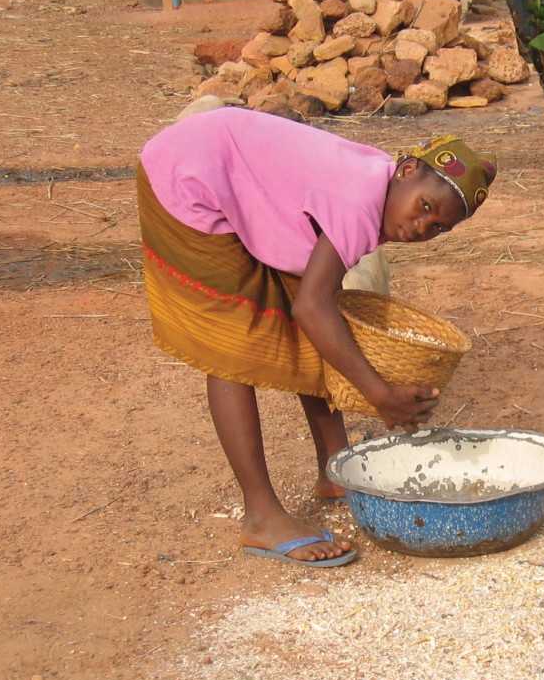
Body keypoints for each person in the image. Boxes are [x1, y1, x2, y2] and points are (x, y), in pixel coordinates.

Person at [137, 107, 496, 567]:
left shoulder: (378, 183)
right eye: (425, 208)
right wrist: (378, 394)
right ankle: (261, 517)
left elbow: (317, 306)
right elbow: (313, 308)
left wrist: (372, 386)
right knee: (231, 346)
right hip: (187, 176)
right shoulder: (358, 203)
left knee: (315, 324)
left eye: (439, 227)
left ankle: (334, 468)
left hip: (220, 162)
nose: (423, 228)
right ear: (406, 171)